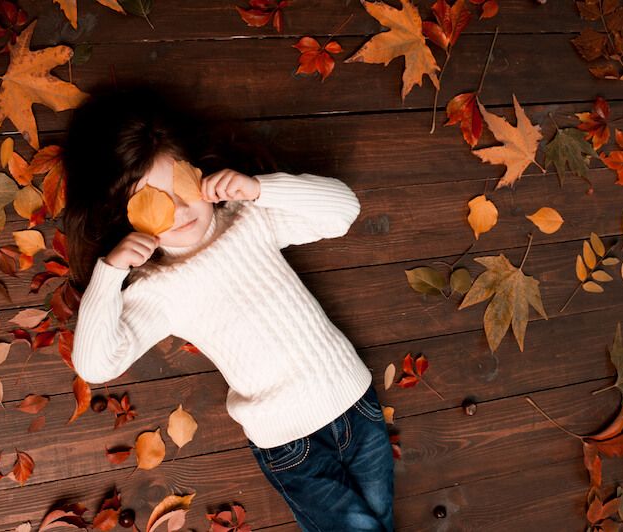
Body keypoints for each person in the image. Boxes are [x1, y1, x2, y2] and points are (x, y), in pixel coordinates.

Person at [62, 85, 395, 531]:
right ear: (126, 218)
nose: (180, 209)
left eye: (181, 185)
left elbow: (344, 210)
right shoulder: (156, 286)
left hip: (355, 401)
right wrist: (110, 270)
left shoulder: (248, 217)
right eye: (153, 203)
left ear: (199, 171)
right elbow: (96, 364)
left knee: (381, 521)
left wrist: (259, 190)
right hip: (287, 439)